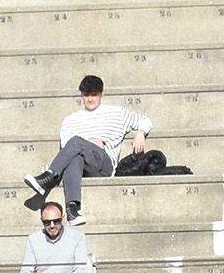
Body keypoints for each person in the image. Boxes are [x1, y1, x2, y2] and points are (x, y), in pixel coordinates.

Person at [21, 74, 151, 228]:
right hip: (82, 166)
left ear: (101, 94)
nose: (90, 99)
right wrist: (89, 143)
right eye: (86, 95)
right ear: (81, 96)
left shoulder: (117, 113)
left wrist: (141, 133)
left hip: (105, 164)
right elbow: (66, 146)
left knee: (76, 142)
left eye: (94, 95)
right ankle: (72, 210)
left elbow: (145, 120)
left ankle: (48, 176)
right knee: (75, 157)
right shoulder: (71, 120)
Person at [5, 201, 91, 273]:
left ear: (63, 218)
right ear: (41, 220)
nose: (51, 225)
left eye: (56, 221)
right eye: (47, 222)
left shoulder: (77, 237)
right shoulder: (33, 239)